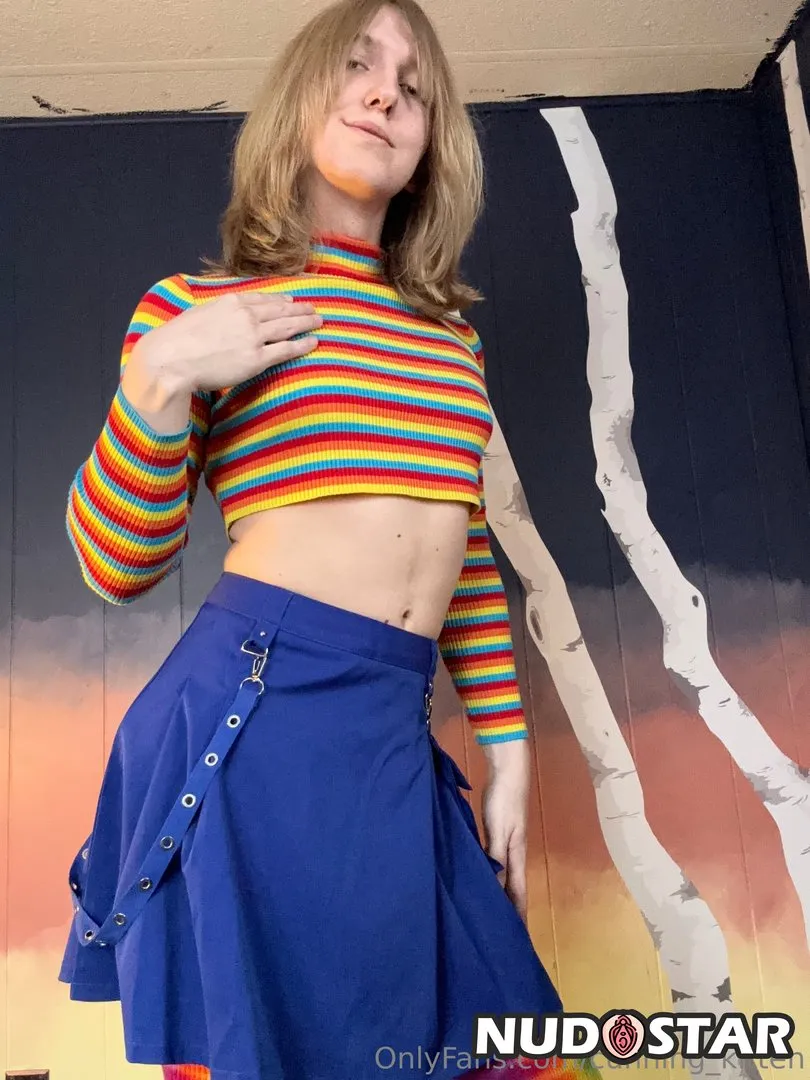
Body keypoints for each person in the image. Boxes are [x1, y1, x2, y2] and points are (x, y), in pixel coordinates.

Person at [57, 1, 599, 1078]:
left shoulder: (449, 340)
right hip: (254, 713)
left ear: (430, 145)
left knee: (493, 1044)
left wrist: (507, 749)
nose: (387, 91)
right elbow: (117, 566)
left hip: (390, 720)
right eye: (358, 65)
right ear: (300, 99)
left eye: (415, 86)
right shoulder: (197, 307)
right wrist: (160, 377)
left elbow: (459, 552)